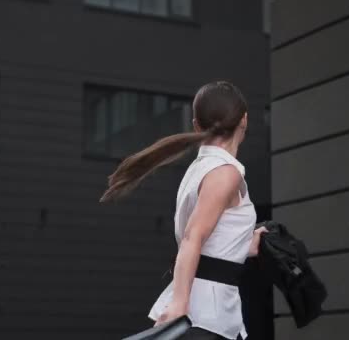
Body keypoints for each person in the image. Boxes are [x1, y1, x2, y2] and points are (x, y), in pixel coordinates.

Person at [100, 81, 268, 340]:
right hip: (206, 316)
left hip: (210, 313)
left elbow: (209, 241)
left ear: (196, 124)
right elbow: (193, 237)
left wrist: (246, 246)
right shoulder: (225, 173)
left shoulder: (200, 170)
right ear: (244, 120)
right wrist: (180, 303)